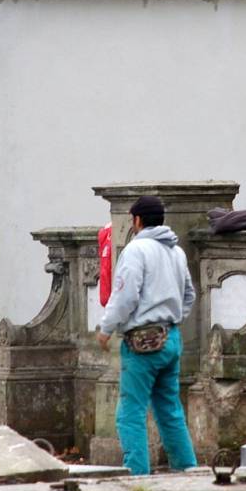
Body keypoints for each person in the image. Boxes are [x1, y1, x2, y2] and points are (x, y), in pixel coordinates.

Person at [96, 195, 197, 475]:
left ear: (137, 220)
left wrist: (106, 329)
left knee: (130, 413)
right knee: (169, 410)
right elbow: (189, 295)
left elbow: (125, 296)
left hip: (142, 343)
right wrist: (172, 320)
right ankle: (189, 471)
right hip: (171, 338)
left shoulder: (136, 250)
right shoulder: (177, 252)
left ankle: (137, 475)